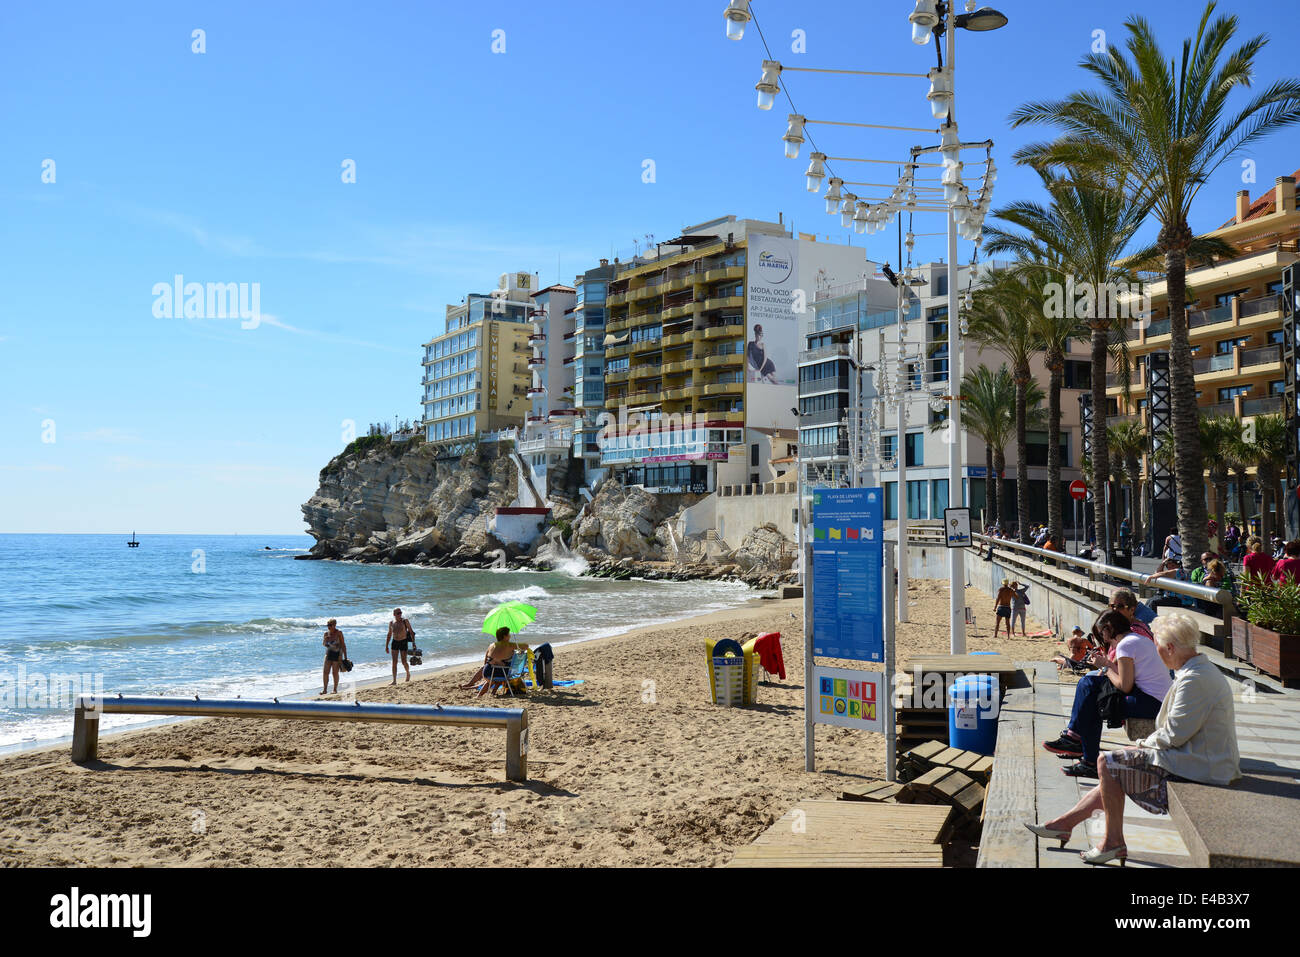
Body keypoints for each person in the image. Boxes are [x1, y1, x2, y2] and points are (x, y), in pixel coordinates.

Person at [1026, 613, 1240, 865]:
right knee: (1113, 765)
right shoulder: (1195, 671)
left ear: (1170, 648)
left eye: (1157, 645)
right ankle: (1066, 825)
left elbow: (1173, 734)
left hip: (1205, 764)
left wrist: (1138, 746)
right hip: (1199, 755)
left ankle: (1110, 841)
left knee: (1108, 763)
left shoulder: (1195, 680)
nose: (1155, 651)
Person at [1040, 610, 1172, 778]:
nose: (1104, 638)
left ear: (1109, 628)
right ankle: (1078, 746)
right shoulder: (1139, 640)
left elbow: (1125, 685)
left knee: (1094, 696)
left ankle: (1080, 748)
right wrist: (1107, 664)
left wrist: (1105, 666)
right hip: (1156, 700)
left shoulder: (1126, 645)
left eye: (1102, 632)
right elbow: (1129, 677)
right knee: (1090, 687)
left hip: (1151, 704)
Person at [386, 607, 414, 685]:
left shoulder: (405, 621)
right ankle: (394, 680)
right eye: (398, 613)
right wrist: (386, 646)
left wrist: (414, 644)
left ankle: (408, 673)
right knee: (394, 662)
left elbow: (411, 632)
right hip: (395, 642)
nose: (400, 614)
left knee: (403, 661)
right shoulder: (391, 623)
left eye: (401, 613)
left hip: (403, 642)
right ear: (394, 614)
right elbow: (389, 634)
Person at [322, 618, 348, 694]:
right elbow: (324, 645)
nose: (328, 627)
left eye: (330, 625)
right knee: (325, 672)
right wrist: (325, 640)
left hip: (337, 655)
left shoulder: (339, 633)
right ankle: (325, 690)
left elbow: (343, 645)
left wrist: (345, 657)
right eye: (327, 625)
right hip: (328, 654)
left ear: (334, 625)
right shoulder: (326, 634)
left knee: (335, 673)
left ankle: (335, 689)